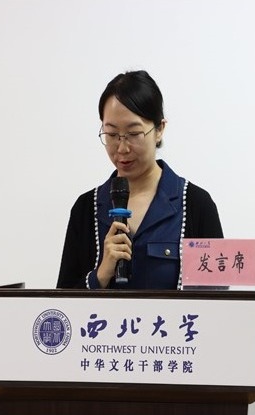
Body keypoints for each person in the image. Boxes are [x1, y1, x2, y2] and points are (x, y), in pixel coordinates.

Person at [56, 70, 224, 289]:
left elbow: (217, 298)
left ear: (159, 129)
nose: (122, 148)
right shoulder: (86, 209)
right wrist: (101, 274)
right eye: (112, 135)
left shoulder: (195, 205)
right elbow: (63, 300)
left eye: (134, 134)